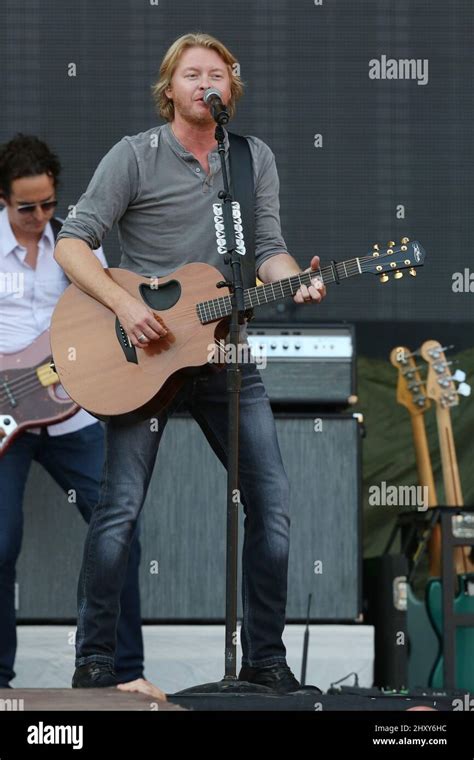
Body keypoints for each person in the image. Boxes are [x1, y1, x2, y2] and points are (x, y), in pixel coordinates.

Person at [54, 32, 326, 694]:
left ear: (229, 90)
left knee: (274, 505)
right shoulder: (135, 156)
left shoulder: (250, 157)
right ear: (170, 87)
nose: (206, 82)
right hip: (143, 356)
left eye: (218, 74)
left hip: (224, 351)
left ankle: (264, 658)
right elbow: (72, 243)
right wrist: (123, 306)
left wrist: (297, 280)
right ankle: (94, 662)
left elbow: (268, 250)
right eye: (192, 72)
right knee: (118, 507)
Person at [0, 134, 164, 700]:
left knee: (120, 530)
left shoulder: (76, 245)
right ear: (2, 199)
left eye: (48, 203)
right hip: (5, 423)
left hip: (72, 417)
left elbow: (107, 313)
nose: (40, 215)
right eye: (27, 207)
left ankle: (124, 671)